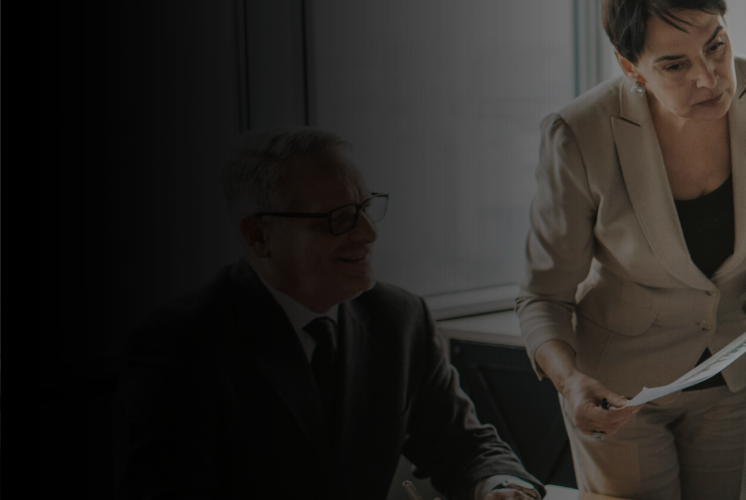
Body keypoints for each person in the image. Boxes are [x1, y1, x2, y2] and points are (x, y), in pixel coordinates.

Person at [115, 127, 542, 500]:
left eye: (365, 208)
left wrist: (501, 486)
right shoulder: (179, 344)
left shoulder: (399, 318)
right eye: (338, 219)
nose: (368, 234)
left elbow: (460, 445)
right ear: (259, 235)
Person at [516, 0, 746, 497]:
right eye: (675, 65)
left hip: (736, 376)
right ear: (630, 66)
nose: (709, 78)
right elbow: (543, 296)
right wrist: (569, 382)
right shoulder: (580, 134)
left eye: (716, 46)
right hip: (619, 392)